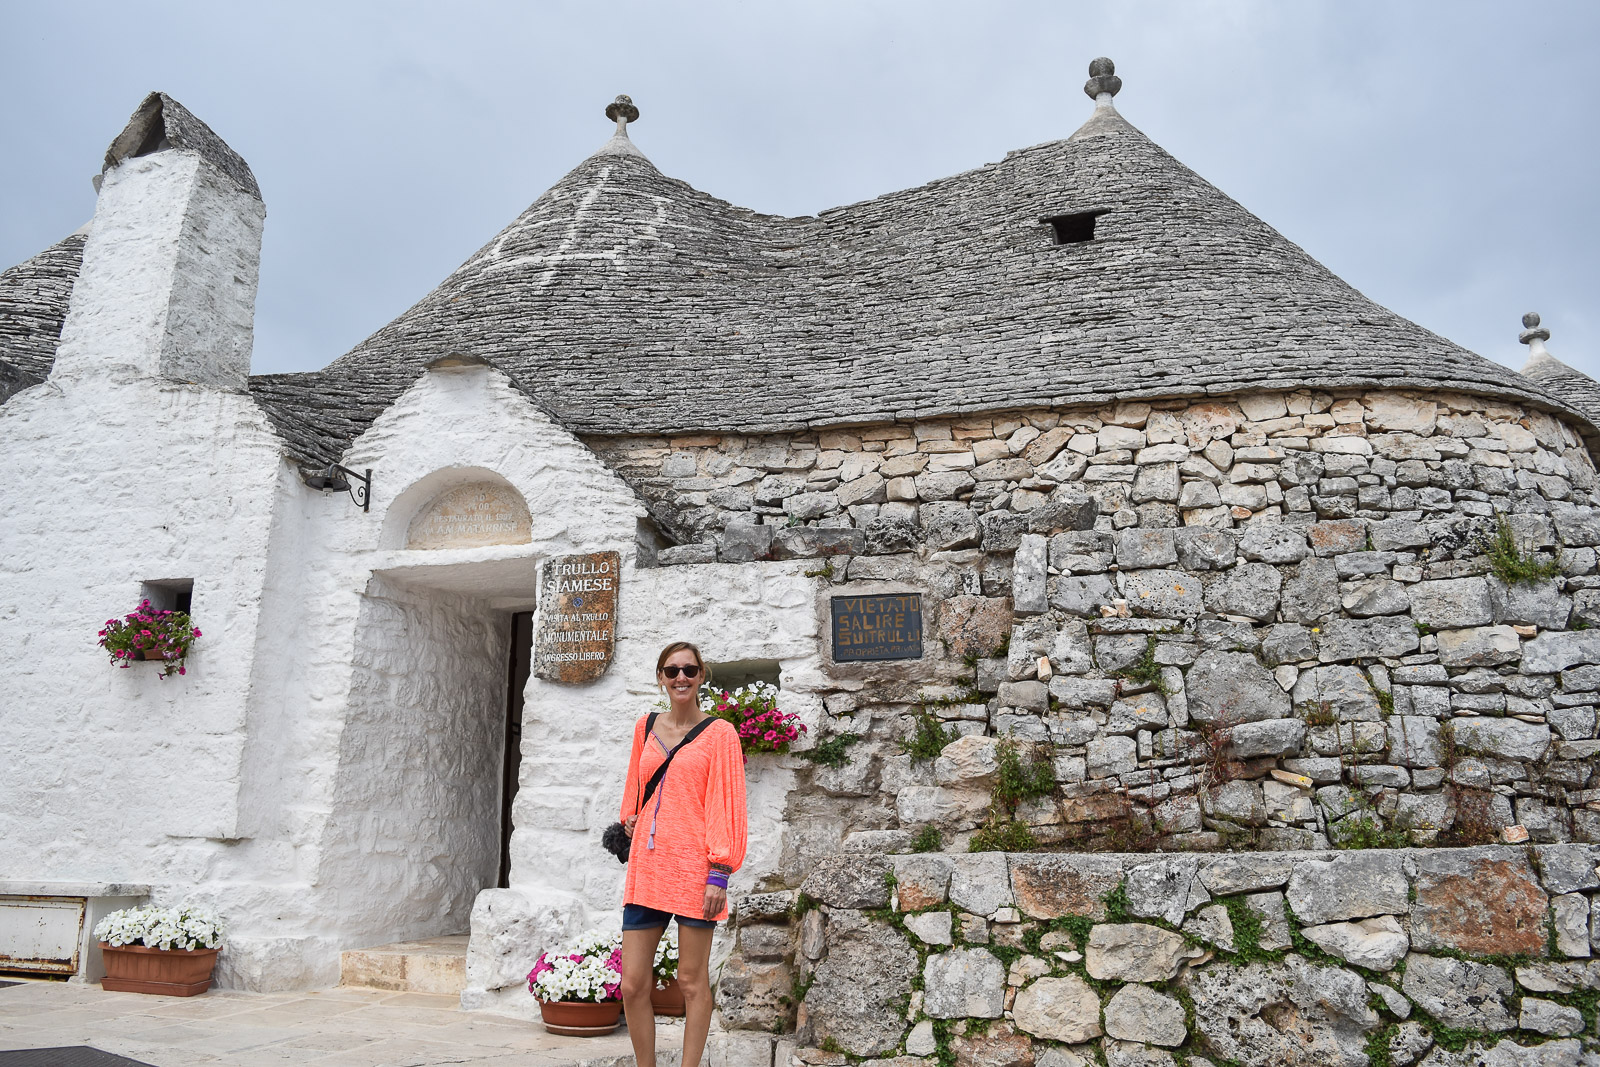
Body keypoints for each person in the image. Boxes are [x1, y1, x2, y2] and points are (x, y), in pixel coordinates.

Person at [618, 641, 747, 1066]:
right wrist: (631, 818)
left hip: (695, 872)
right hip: (648, 869)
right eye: (672, 671)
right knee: (633, 984)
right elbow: (636, 790)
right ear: (660, 677)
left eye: (689, 670)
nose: (681, 678)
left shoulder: (720, 733)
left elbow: (726, 804)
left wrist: (720, 872)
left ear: (701, 676)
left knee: (692, 982)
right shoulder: (645, 726)